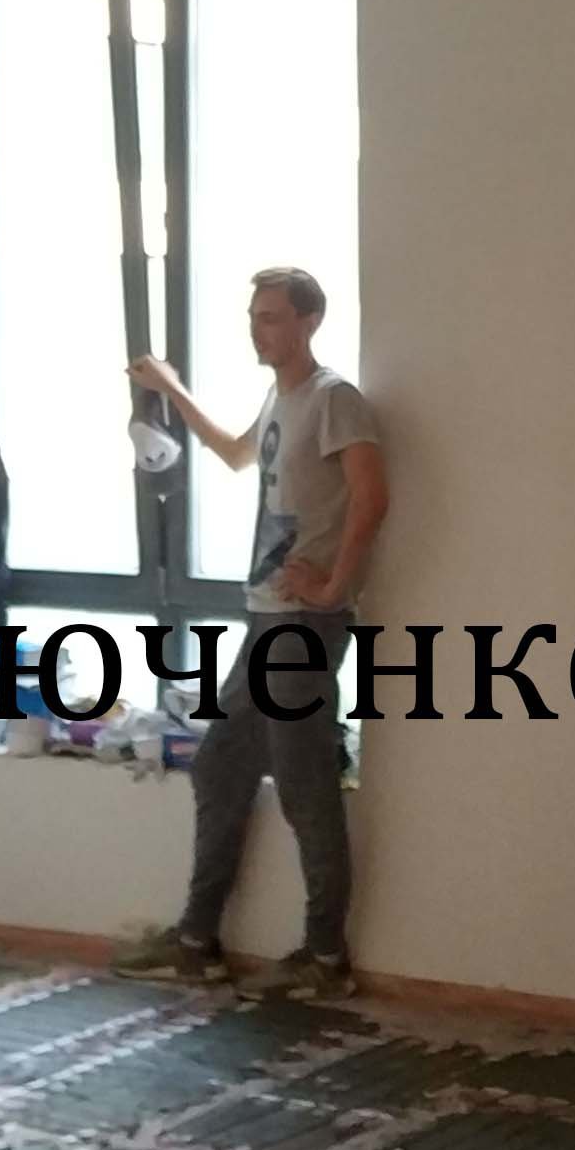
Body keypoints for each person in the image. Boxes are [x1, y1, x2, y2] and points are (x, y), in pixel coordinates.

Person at [112, 266, 387, 997]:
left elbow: (371, 497)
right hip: (267, 617)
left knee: (305, 787)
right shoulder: (279, 399)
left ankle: (325, 957)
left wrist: (334, 586)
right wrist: (172, 389)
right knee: (220, 766)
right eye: (254, 316)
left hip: (303, 626)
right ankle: (197, 940)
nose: (257, 330)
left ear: (308, 322)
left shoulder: (334, 399)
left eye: (271, 317)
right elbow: (236, 454)